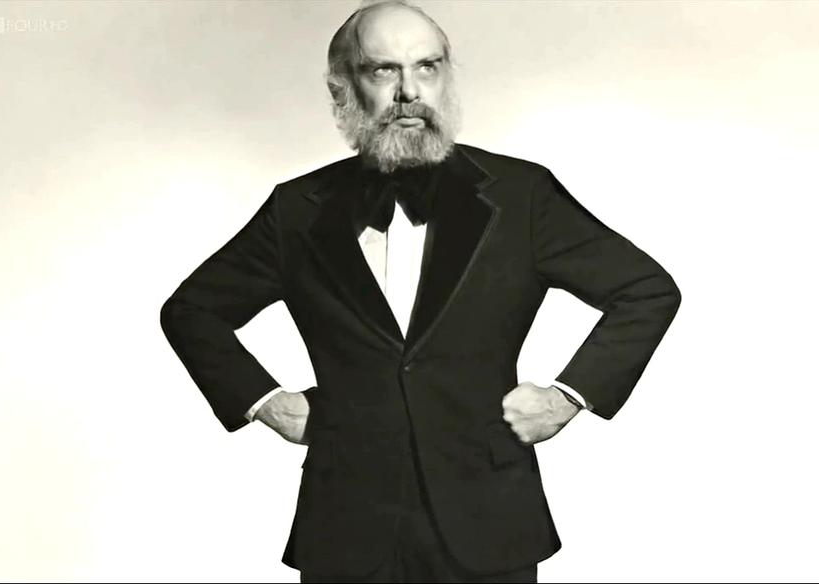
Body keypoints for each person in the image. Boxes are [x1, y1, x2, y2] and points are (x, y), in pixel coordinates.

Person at [160, 1, 681, 582]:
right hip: (347, 524)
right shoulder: (297, 210)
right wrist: (266, 402)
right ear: (342, 89)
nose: (409, 91)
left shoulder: (521, 195)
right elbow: (192, 311)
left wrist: (567, 396)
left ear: (446, 78)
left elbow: (646, 290)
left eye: (426, 67)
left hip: (489, 522)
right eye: (383, 70)